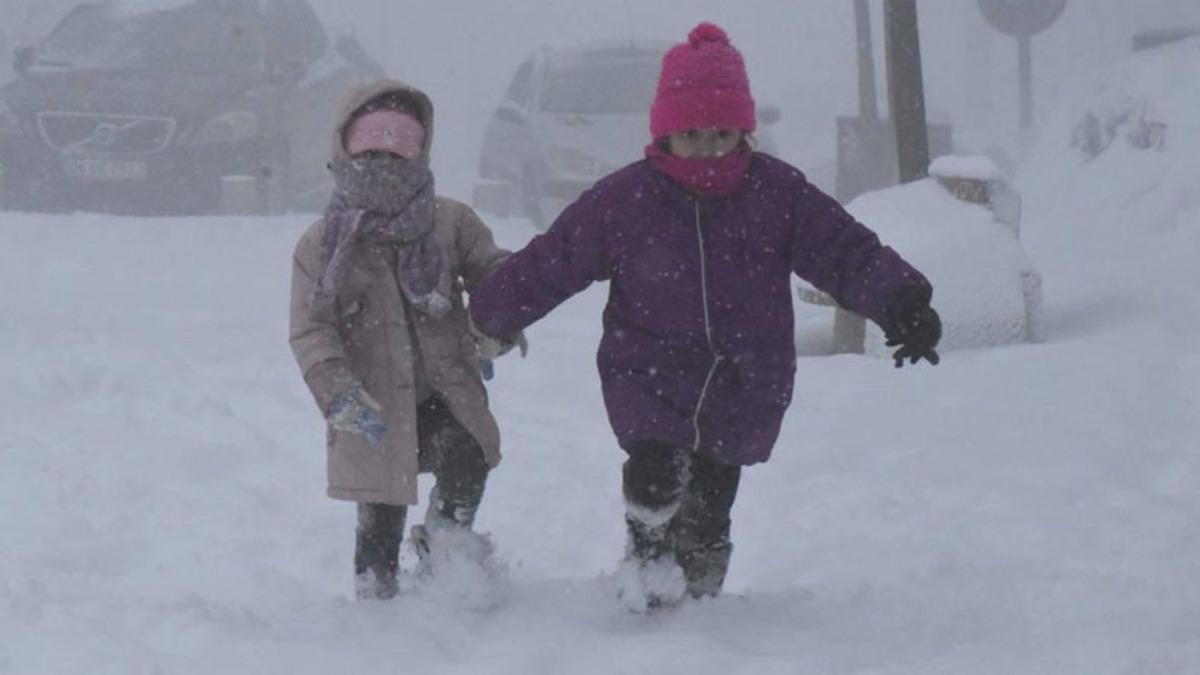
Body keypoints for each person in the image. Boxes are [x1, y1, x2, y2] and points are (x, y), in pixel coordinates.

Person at [467, 23, 941, 611]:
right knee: (654, 472)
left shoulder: (777, 194)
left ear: (745, 132)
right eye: (693, 136)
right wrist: (491, 313)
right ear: (665, 136)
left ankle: (701, 598)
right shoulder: (626, 200)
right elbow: (555, 259)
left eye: (723, 134)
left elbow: (845, 251)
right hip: (650, 370)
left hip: (744, 379)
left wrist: (901, 301)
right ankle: (646, 559)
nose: (710, 150)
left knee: (714, 498)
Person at [289, 79, 522, 600]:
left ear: (420, 155)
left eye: (397, 155)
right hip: (370, 404)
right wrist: (336, 388)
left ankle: (447, 547)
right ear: (344, 152)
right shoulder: (323, 246)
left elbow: (494, 273)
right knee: (380, 510)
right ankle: (377, 611)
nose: (381, 168)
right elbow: (311, 327)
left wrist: (499, 316)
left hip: (444, 391)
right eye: (368, 153)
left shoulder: (450, 223)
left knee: (468, 456)